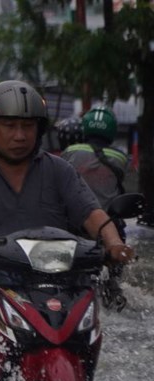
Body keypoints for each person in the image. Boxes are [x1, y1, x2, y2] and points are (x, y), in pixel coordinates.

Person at [0, 80, 135, 381]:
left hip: (57, 282)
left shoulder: (59, 170)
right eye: (10, 125)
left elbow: (92, 213)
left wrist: (114, 244)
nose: (20, 135)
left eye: (27, 126)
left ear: (39, 130)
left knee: (85, 336)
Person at [61, 106, 131, 310]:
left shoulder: (70, 152)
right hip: (108, 228)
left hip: (74, 225)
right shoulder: (121, 158)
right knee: (120, 238)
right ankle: (113, 284)